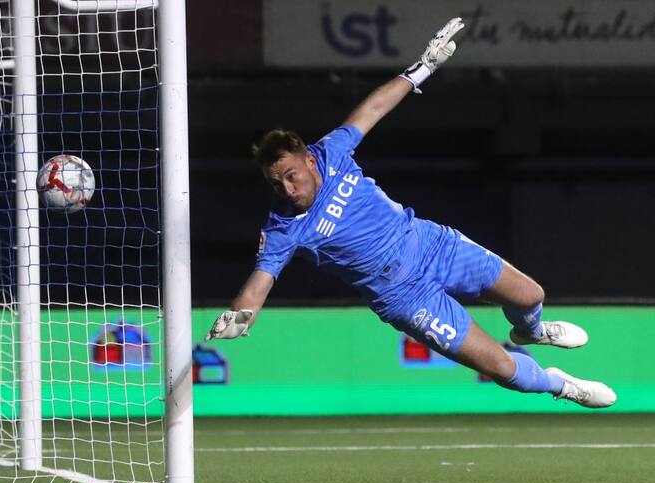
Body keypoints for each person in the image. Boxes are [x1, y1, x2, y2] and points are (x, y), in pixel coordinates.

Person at [204, 18, 616, 408]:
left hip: (430, 244)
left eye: (290, 176)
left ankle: (532, 331)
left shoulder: (331, 152)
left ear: (308, 160)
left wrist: (424, 67)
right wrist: (238, 317)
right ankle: (562, 385)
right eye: (276, 183)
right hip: (403, 296)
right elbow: (258, 286)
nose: (287, 189)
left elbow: (373, 108)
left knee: (531, 295)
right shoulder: (282, 228)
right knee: (503, 369)